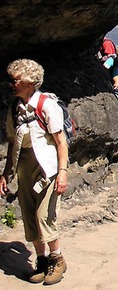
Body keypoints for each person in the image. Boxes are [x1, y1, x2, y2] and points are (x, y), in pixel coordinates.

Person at [0, 59, 68, 285]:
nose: (12, 83)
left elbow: (60, 142)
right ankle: (41, 261)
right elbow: (12, 143)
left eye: (16, 79)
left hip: (47, 168)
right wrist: (7, 173)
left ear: (30, 82)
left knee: (44, 216)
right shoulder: (14, 108)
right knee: (29, 216)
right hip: (24, 167)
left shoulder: (46, 106)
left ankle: (57, 260)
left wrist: (62, 172)